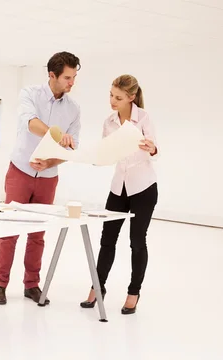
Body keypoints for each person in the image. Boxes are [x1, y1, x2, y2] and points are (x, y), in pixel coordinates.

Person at [0, 51, 81, 305]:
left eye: (74, 77)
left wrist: (51, 162)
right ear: (52, 75)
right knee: (9, 230)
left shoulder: (74, 109)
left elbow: (72, 148)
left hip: (48, 177)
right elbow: (30, 123)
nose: (71, 83)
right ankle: (0, 285)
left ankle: (32, 285)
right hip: (20, 171)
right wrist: (55, 134)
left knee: (38, 233)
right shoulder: (29, 94)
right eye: (67, 77)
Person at [80, 74, 159, 315]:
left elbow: (154, 147)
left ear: (131, 97)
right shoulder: (109, 122)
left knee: (137, 242)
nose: (112, 101)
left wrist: (151, 147)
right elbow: (108, 153)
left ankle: (133, 292)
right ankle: (98, 287)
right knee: (107, 240)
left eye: (118, 97)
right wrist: (97, 157)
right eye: (111, 95)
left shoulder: (143, 118)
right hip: (118, 188)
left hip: (143, 187)